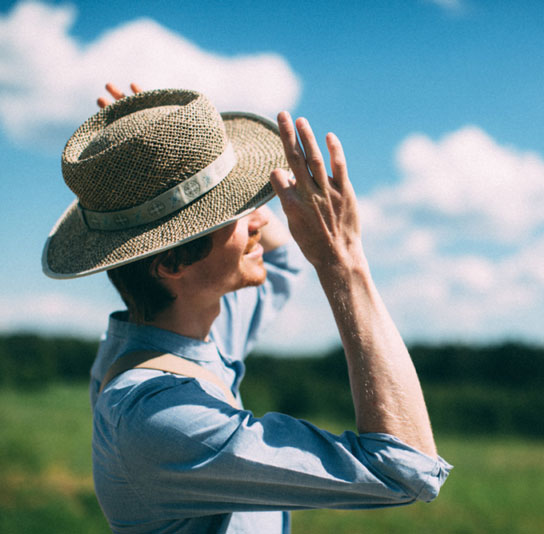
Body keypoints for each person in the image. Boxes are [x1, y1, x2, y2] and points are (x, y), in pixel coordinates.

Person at [42, 83, 450, 533]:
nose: (260, 218)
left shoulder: (190, 333)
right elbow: (403, 469)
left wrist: (161, 162)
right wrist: (343, 259)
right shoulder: (156, 415)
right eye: (230, 213)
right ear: (172, 262)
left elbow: (279, 265)